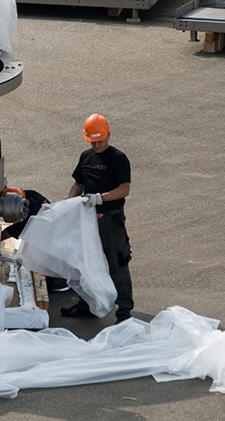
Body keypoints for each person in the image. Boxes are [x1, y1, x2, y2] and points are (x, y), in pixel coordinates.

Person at [60, 113, 133, 324]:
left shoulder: (118, 159)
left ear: (108, 134)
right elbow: (78, 184)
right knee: (85, 264)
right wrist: (67, 204)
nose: (97, 145)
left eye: (100, 140)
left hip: (111, 221)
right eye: (93, 141)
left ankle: (124, 312)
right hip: (88, 221)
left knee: (117, 264)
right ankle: (87, 305)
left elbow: (124, 189)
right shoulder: (86, 157)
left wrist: (100, 198)